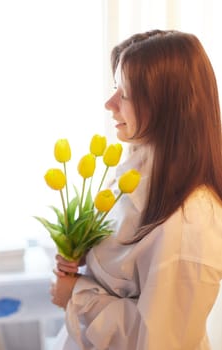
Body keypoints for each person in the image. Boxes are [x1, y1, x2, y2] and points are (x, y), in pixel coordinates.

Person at [50, 29, 222, 349]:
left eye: (124, 93)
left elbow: (156, 341)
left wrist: (75, 293)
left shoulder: (190, 221)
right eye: (115, 87)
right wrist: (82, 259)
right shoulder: (136, 172)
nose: (109, 103)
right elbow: (124, 271)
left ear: (167, 106)